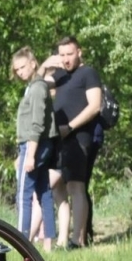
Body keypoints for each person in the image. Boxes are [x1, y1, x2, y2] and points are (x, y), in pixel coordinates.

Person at [41, 36, 103, 248]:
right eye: (62, 55)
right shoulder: (59, 75)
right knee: (56, 187)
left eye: (70, 54)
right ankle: (60, 238)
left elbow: (95, 106)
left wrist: (71, 127)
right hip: (58, 138)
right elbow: (37, 86)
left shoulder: (88, 73)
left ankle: (78, 239)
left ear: (79, 52)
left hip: (79, 136)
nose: (66, 59)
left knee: (76, 185)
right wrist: (44, 66)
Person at [11, 46, 56, 250]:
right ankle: (49, 244)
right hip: (37, 144)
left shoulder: (37, 88)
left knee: (24, 195)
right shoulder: (34, 86)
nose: (20, 72)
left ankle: (21, 242)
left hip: (34, 144)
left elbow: (36, 124)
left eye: (22, 67)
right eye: (17, 69)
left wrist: (29, 155)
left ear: (32, 63)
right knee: (44, 191)